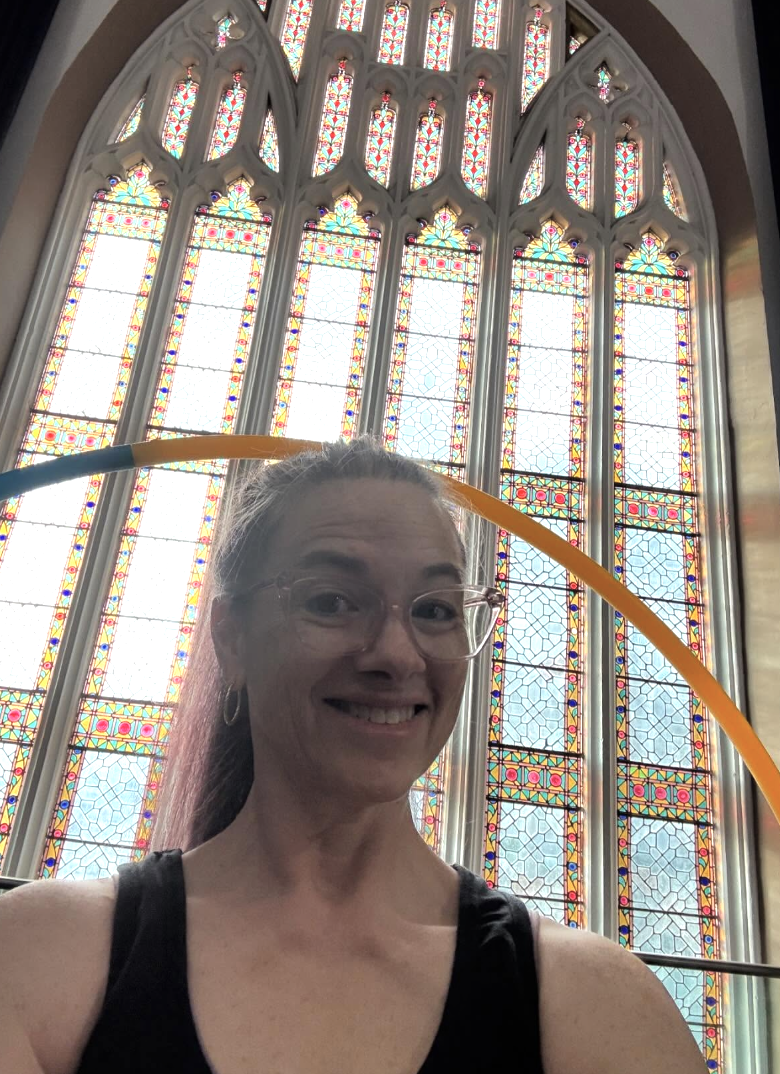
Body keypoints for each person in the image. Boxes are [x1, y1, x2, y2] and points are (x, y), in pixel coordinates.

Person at [1, 437, 707, 1073]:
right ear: (232, 638)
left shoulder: (595, 1002)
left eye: (435, 609)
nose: (397, 655)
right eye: (334, 601)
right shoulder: (40, 957)